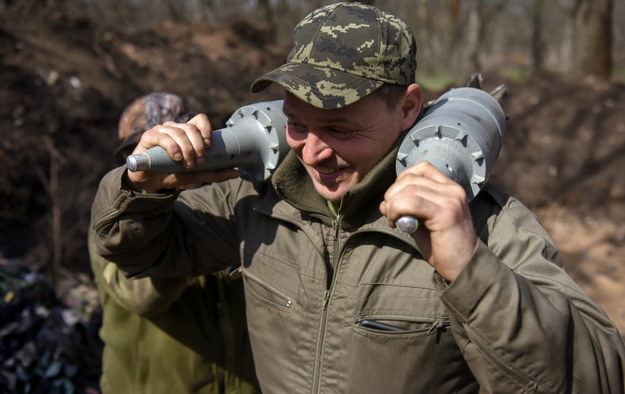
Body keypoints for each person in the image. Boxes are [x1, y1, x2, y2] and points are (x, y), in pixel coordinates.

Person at [91, 3, 625, 393]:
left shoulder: (483, 226)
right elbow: (132, 253)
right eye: (297, 126)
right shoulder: (258, 203)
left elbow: (598, 377)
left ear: (409, 108)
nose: (313, 154)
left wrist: (469, 273)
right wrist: (139, 190)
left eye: (341, 130)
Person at [88, 92, 260, 394]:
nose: (170, 166)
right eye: (156, 155)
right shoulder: (116, 224)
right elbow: (142, 295)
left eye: (183, 152)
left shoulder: (231, 207)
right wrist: (149, 201)